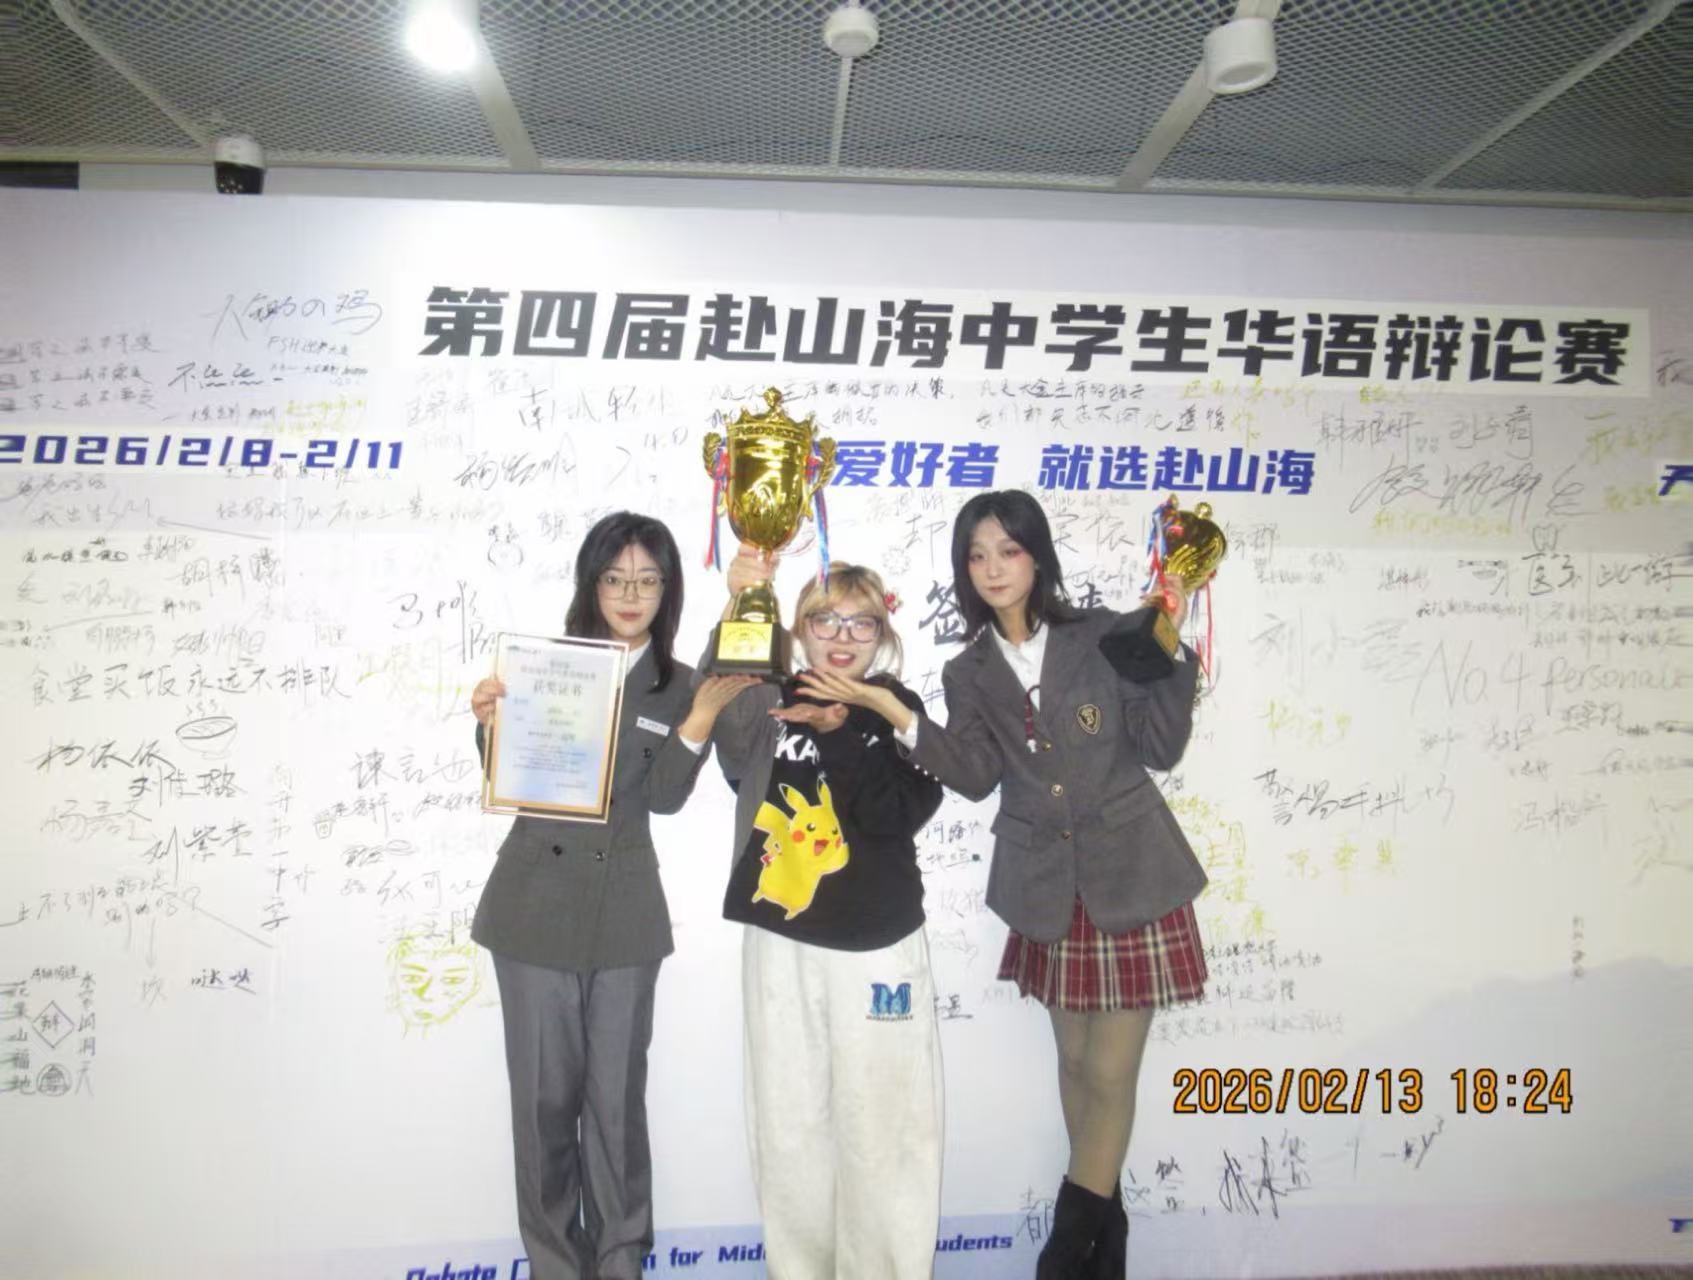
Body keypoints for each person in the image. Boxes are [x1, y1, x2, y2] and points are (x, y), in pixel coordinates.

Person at [797, 491, 1209, 1280]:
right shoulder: (969, 669)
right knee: (1074, 1066)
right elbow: (976, 775)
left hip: (1131, 872)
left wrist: (1172, 642)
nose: (992, 568)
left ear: (1036, 556)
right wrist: (891, 710)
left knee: (1109, 1072)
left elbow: (1160, 746)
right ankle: (1106, 1249)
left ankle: (1065, 1250)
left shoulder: (1104, 633)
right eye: (976, 555)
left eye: (1008, 550)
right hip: (1043, 882)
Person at [469, 511, 755, 1280]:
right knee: (542, 1106)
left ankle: (621, 1262)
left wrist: (698, 722)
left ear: (667, 591)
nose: (631, 595)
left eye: (648, 581)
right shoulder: (548, 667)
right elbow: (516, 779)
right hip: (531, 907)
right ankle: (556, 1266)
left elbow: (663, 800)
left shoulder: (683, 684)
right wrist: (492, 724)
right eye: (615, 578)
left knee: (617, 1106)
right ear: (590, 585)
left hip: (626, 914)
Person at [686, 545, 945, 1280]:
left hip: (878, 942)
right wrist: (740, 602)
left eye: (861, 623)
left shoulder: (895, 705)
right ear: (798, 629)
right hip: (782, 936)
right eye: (824, 620)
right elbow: (725, 735)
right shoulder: (772, 696)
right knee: (789, 1125)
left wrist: (839, 731)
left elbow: (898, 812)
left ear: (882, 636)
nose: (841, 636)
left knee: (885, 1128)